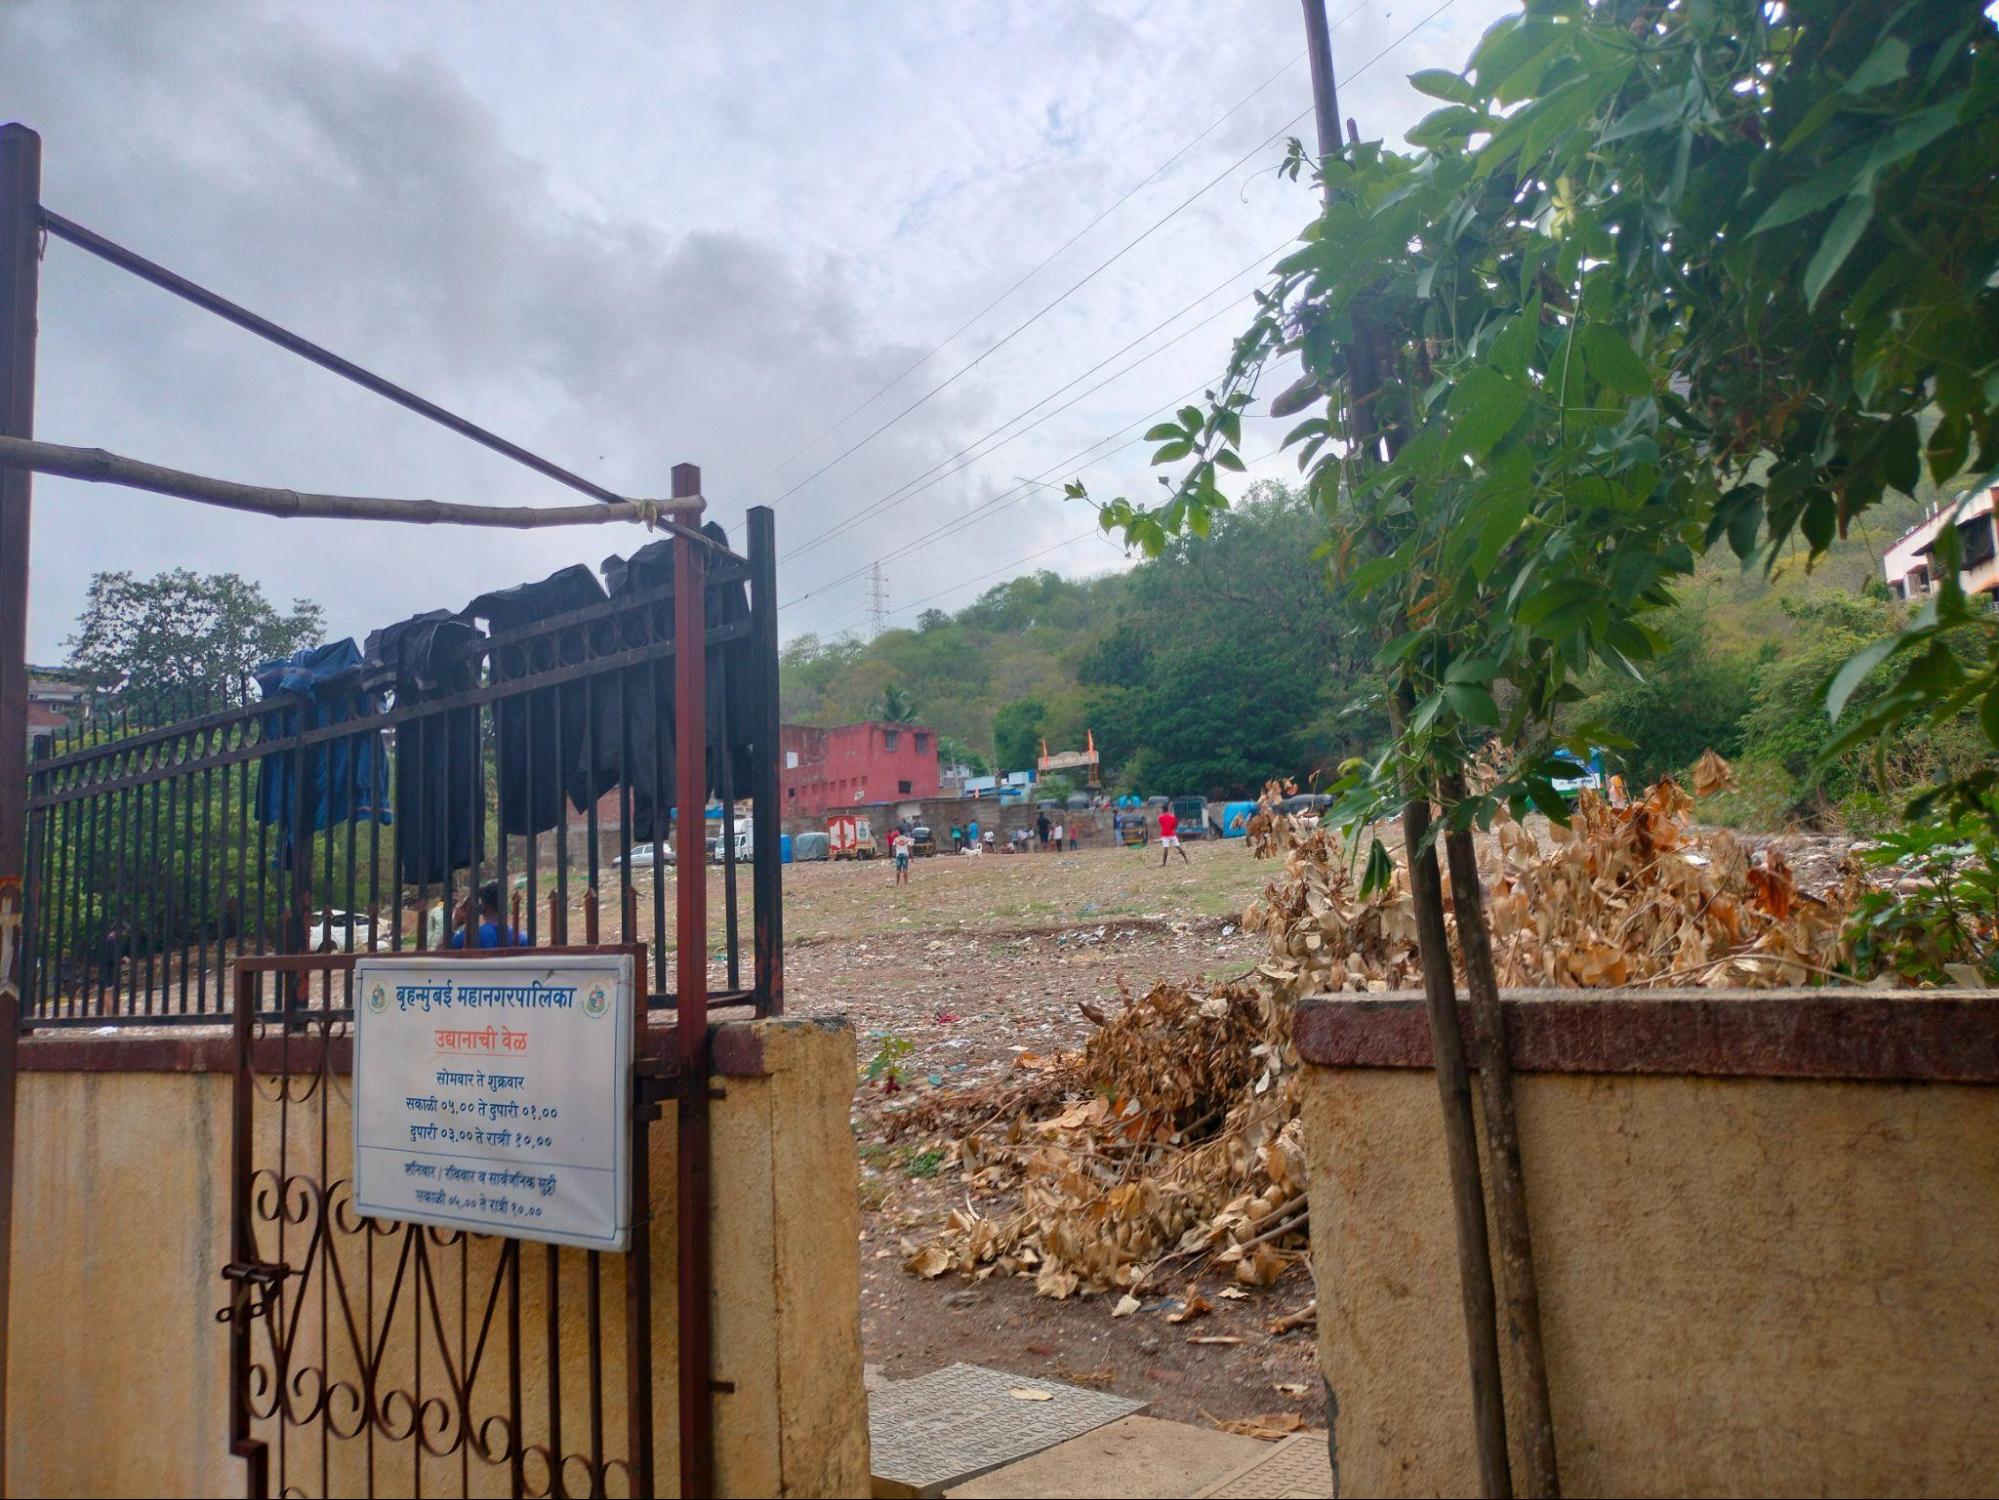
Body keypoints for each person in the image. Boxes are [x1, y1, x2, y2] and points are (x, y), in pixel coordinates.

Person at [449, 881, 528, 948]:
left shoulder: (471, 936)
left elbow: (441, 953)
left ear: (483, 907)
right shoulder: (521, 937)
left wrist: (455, 923)